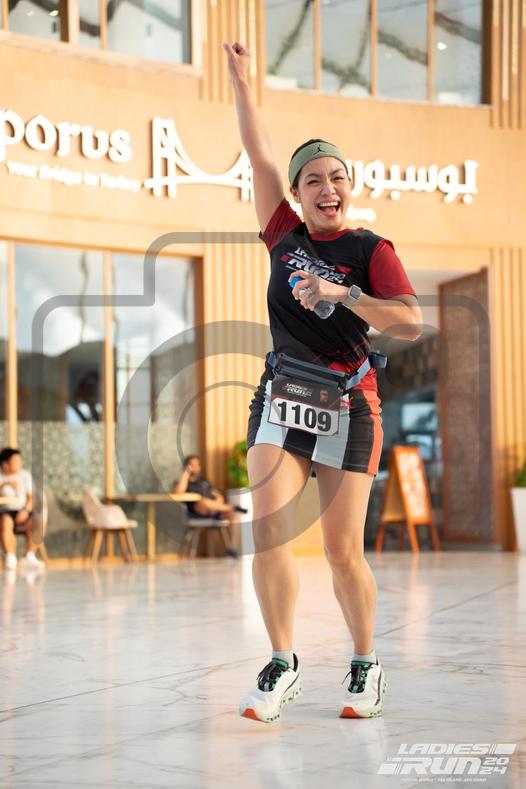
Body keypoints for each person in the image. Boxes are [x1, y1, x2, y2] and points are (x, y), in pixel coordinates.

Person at [223, 41, 423, 723]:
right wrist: (242, 82)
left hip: (349, 403)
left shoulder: (370, 249)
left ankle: (365, 662)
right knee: (269, 532)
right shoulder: (283, 236)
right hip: (282, 396)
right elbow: (259, 156)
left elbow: (410, 322)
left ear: (349, 187)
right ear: (299, 193)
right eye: (313, 179)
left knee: (340, 551)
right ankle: (282, 662)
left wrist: (346, 295)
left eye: (336, 176)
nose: (326, 186)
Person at [173, 455, 240, 558]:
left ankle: (232, 548)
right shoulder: (184, 482)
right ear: (186, 466)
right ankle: (231, 507)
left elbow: (219, 496)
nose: (195, 467)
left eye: (197, 465)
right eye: (192, 465)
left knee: (233, 515)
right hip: (196, 513)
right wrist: (186, 473)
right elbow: (178, 493)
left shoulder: (204, 481)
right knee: (202, 501)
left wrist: (217, 502)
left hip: (213, 511)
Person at [0, 447, 45, 571]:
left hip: (22, 510)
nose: (19, 463)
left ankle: (29, 556)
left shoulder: (25, 475)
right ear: (5, 464)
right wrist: (6, 484)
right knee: (5, 522)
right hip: (4, 511)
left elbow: (31, 497)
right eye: (16, 461)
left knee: (37, 523)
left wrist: (25, 511)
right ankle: (10, 557)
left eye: (20, 461)